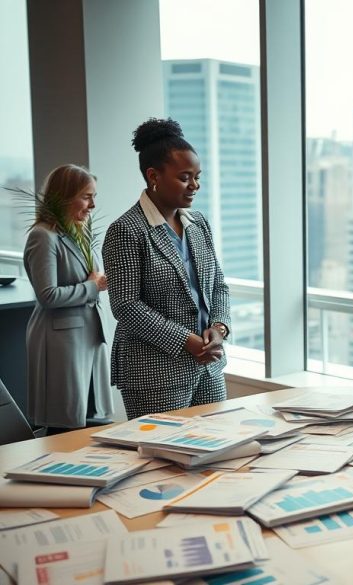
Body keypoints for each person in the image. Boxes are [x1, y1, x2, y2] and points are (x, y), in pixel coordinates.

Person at [103, 118, 231, 420]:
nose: (195, 185)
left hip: (208, 368)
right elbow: (126, 306)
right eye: (185, 177)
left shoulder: (198, 223)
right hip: (154, 372)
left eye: (197, 177)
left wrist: (219, 328)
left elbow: (218, 285)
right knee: (165, 462)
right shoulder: (126, 230)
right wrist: (187, 341)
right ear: (153, 176)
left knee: (219, 446)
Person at [23, 164, 114, 434]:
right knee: (65, 427)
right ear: (64, 196)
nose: (93, 205)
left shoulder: (80, 233)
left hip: (89, 335)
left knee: (91, 422)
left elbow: (92, 280)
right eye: (87, 196)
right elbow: (47, 295)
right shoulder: (43, 236)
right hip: (61, 340)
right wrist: (91, 287)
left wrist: (97, 283)